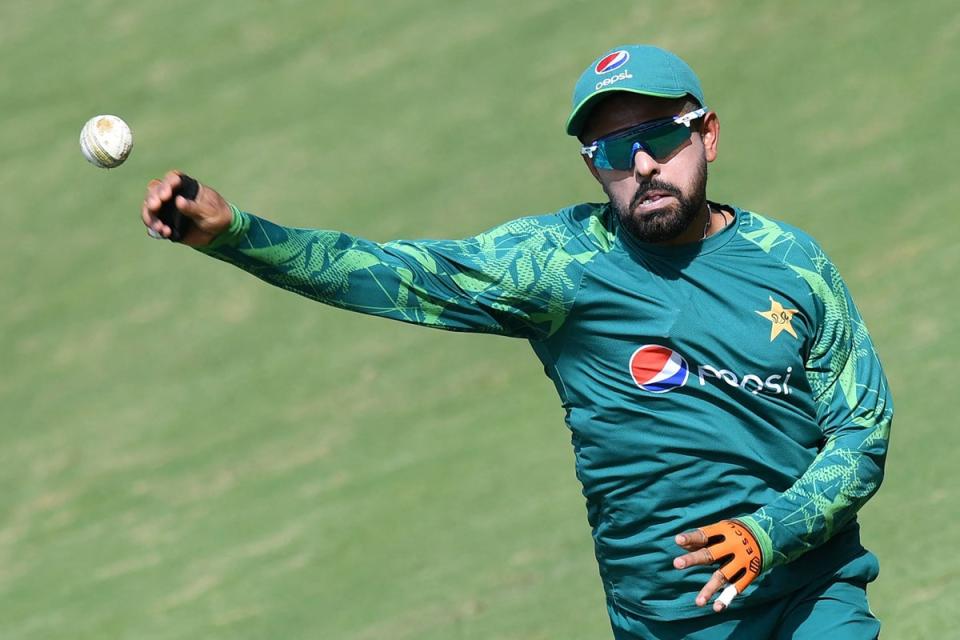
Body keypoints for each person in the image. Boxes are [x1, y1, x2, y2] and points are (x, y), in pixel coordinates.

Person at [140, 45, 892, 639]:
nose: (641, 165)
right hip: (668, 617)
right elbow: (390, 273)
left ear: (709, 134)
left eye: (662, 134)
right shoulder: (556, 266)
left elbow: (862, 433)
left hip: (807, 591)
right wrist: (238, 234)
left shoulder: (793, 265)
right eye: (611, 149)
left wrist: (769, 534)